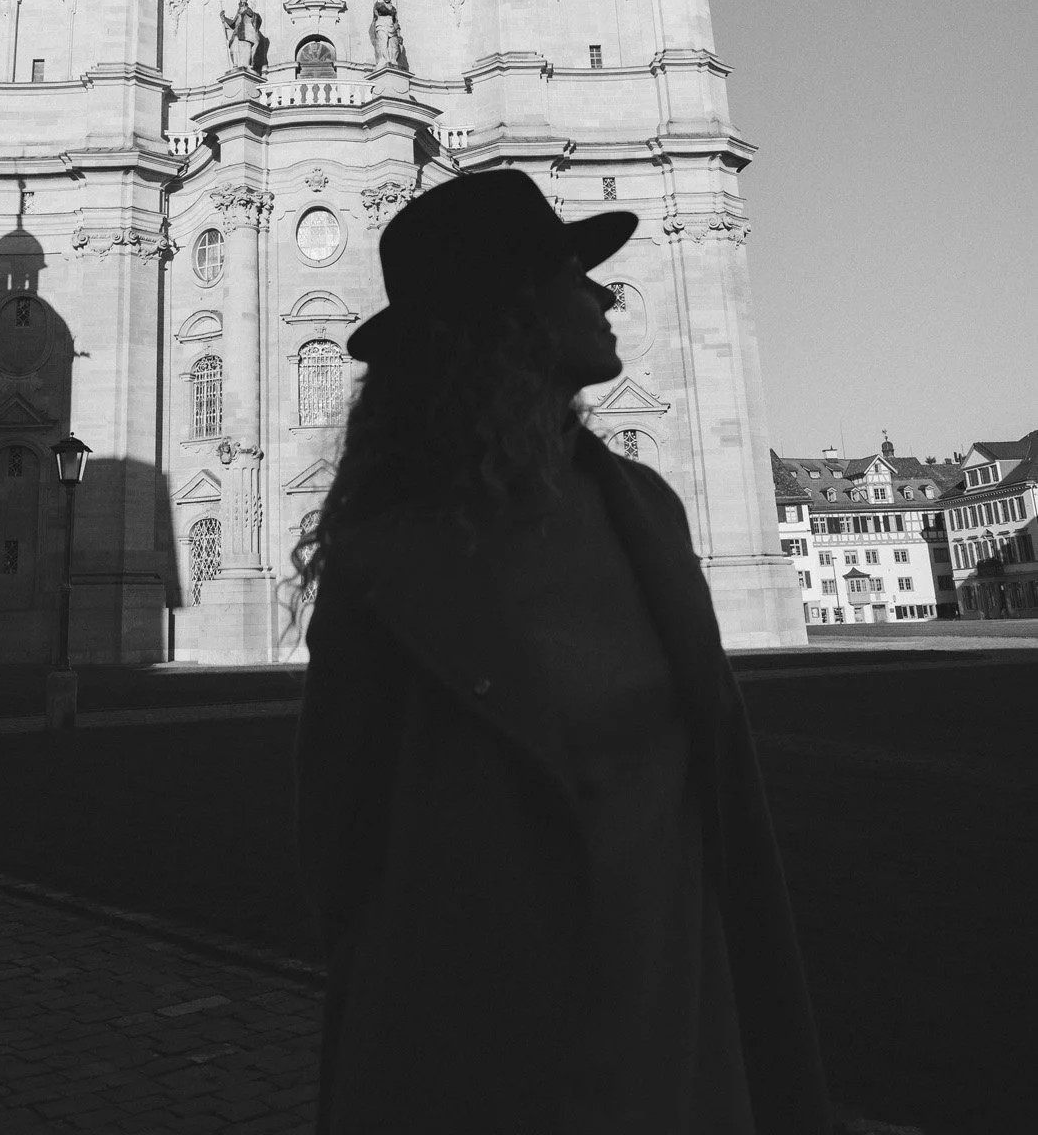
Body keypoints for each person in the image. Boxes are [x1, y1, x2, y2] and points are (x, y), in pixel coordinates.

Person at [292, 169, 832, 1135]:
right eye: (568, 275)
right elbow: (346, 826)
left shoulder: (645, 512)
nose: (601, 293)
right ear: (506, 316)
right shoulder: (389, 551)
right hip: (477, 1026)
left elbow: (719, 789)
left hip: (669, 993)